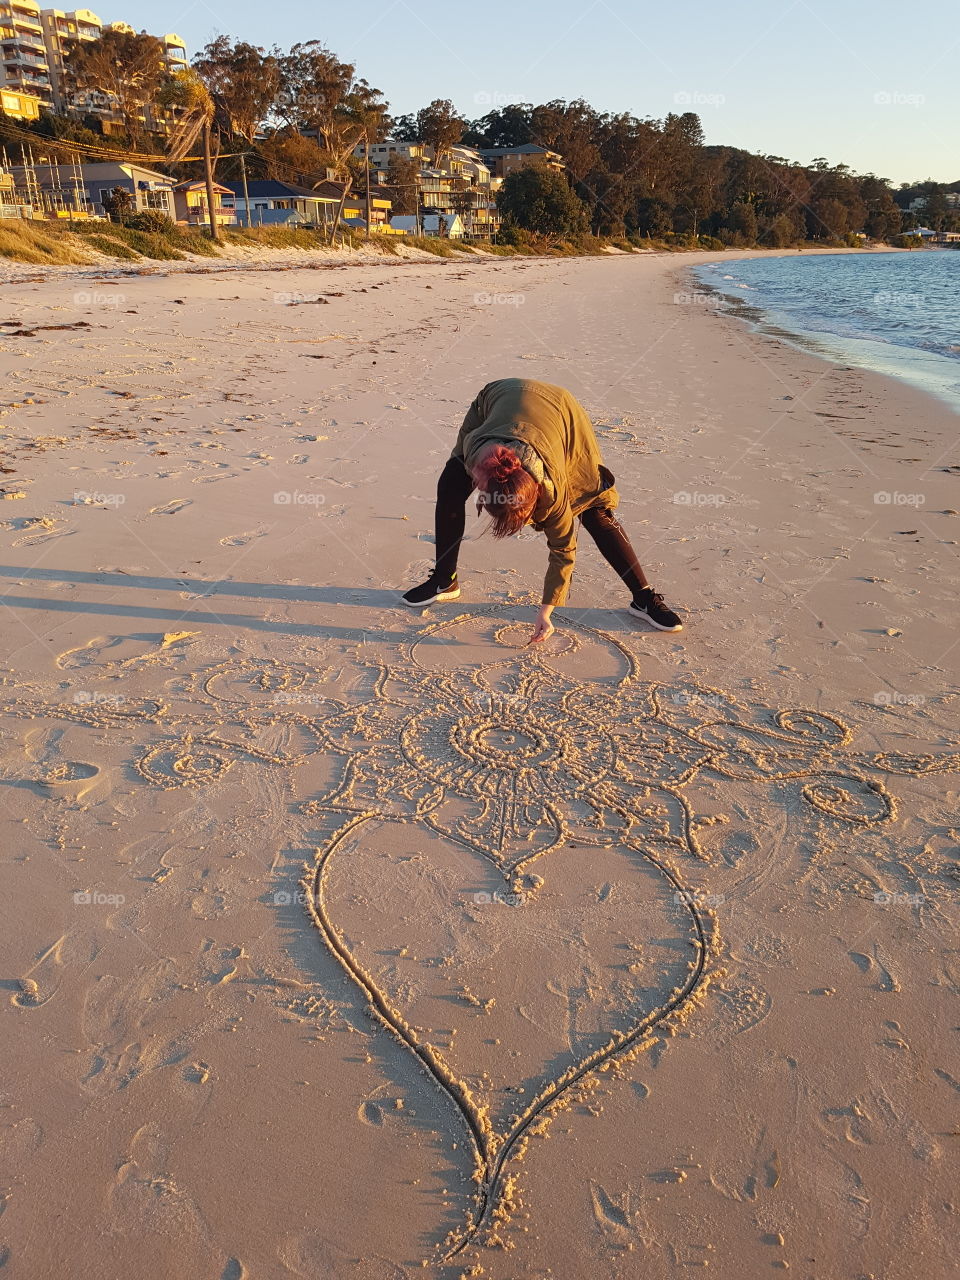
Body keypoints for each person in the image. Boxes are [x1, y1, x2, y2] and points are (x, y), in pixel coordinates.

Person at [401, 379, 683, 643]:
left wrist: (546, 611)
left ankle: (643, 597)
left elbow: (563, 549)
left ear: (536, 496)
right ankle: (444, 580)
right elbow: (470, 458)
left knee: (594, 508)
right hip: (496, 396)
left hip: (562, 412)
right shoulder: (476, 453)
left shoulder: (554, 491)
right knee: (450, 484)